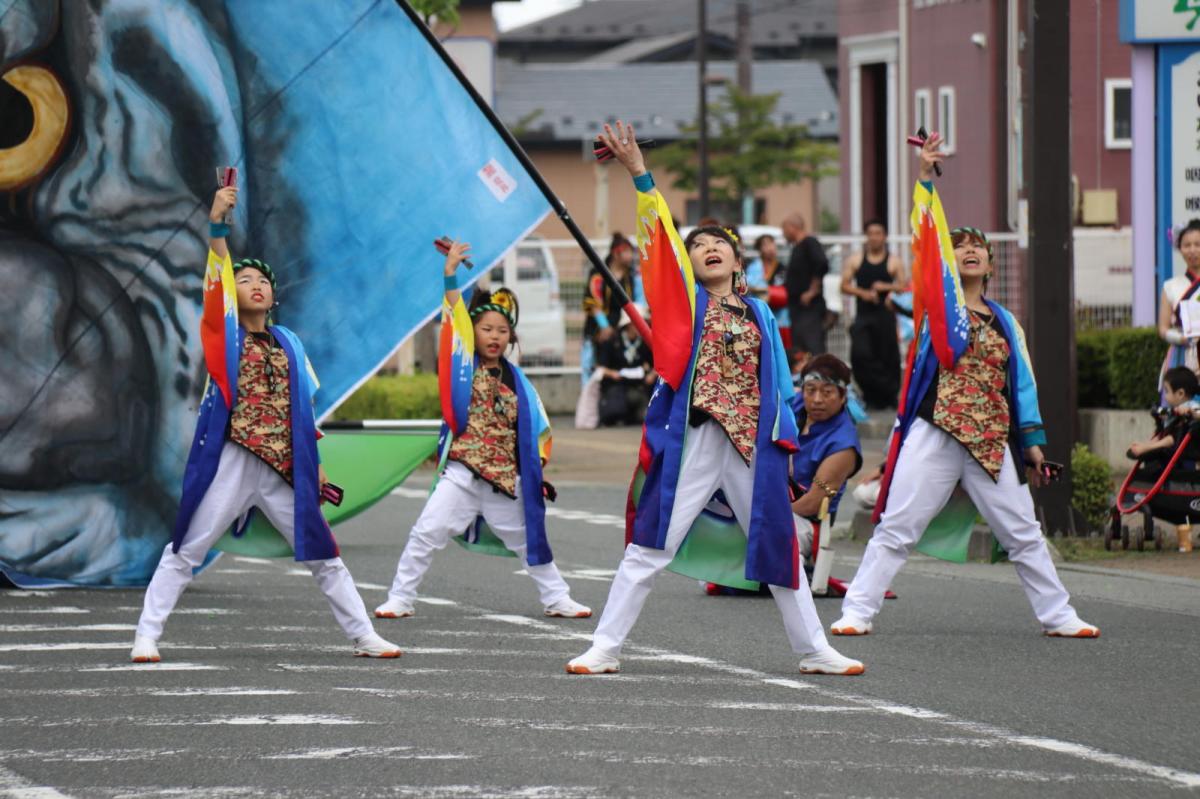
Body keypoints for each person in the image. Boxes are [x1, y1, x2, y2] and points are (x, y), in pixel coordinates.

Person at [565, 121, 864, 677]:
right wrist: (640, 175)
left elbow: (779, 385)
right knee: (652, 543)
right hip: (696, 436)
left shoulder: (760, 313)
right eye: (698, 246)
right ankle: (605, 647)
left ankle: (814, 650)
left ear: (737, 259)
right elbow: (659, 245)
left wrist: (785, 441)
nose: (708, 250)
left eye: (718, 244)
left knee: (777, 544)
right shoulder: (684, 304)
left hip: (753, 443)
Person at [831, 133, 1100, 640]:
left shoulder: (1005, 323)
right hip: (935, 429)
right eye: (960, 245)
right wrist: (925, 177)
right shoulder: (937, 307)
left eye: (978, 246)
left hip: (992, 438)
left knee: (1023, 531)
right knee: (898, 525)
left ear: (991, 265)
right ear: (947, 261)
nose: (970, 250)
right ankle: (857, 611)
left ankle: (1059, 615)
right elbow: (925, 236)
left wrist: (1033, 444)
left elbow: (1021, 385)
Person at [130, 187, 401, 663]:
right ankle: (146, 636)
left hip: (284, 465)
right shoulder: (225, 336)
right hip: (232, 457)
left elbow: (304, 410)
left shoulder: (290, 342)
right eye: (244, 279)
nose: (255, 284)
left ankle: (364, 636)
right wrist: (218, 228)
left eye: (263, 280)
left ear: (273, 296)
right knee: (187, 548)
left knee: (324, 554)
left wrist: (316, 464)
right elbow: (215, 287)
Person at [374, 240, 591, 621]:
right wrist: (450, 275)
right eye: (486, 328)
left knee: (529, 540)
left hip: (503, 478)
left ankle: (557, 598)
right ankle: (400, 598)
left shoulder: (520, 383)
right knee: (427, 531)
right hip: (462, 471)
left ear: (511, 337)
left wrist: (535, 471)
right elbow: (453, 318)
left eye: (503, 330)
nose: (494, 336)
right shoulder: (461, 367)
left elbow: (538, 430)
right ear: (471, 332)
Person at [842, 219, 905, 409]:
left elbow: (904, 286)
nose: (874, 237)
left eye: (878, 233)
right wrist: (863, 293)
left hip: (885, 315)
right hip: (864, 315)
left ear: (884, 236)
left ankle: (889, 397)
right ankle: (870, 394)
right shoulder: (856, 259)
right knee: (860, 355)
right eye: (870, 233)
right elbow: (844, 285)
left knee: (888, 356)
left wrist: (885, 286)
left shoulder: (894, 261)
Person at [581, 233, 643, 385]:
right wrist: (604, 326)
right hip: (598, 330)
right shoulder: (598, 275)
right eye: (627, 252)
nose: (631, 256)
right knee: (592, 369)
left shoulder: (631, 277)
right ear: (616, 253)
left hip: (621, 330)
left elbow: (636, 303)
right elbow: (594, 303)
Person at [1157, 220, 1200, 391]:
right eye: (1187, 245)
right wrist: (1182, 339)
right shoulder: (1171, 286)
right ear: (1179, 248)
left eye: (1197, 244)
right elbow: (1163, 328)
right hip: (1182, 356)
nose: (1192, 250)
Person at [595, 308, 655, 426]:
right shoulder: (613, 341)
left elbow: (657, 365)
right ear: (628, 324)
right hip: (617, 386)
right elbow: (600, 367)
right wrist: (612, 373)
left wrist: (652, 375)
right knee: (617, 409)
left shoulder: (645, 342)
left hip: (639, 385)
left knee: (642, 410)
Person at [782, 212, 830, 362]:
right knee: (800, 350)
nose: (783, 233)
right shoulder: (797, 247)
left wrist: (812, 291)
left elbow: (821, 264)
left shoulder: (809, 242)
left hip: (809, 308)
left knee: (813, 347)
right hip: (797, 309)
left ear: (792, 227)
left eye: (784, 228)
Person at [1126, 366, 1200, 463]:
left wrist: (1190, 411)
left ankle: (1150, 447)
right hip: (1169, 435)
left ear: (1180, 393)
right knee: (1161, 432)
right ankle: (1149, 444)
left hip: (1184, 443)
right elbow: (1164, 414)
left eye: (1167, 391)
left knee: (1172, 436)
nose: (1165, 396)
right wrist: (1161, 413)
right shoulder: (1172, 408)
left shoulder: (1192, 405)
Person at [745, 233, 791, 350]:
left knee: (781, 349)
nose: (770, 248)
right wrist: (765, 290)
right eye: (766, 245)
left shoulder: (782, 268)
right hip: (760, 313)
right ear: (760, 249)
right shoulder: (754, 267)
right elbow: (749, 285)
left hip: (781, 317)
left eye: (772, 244)